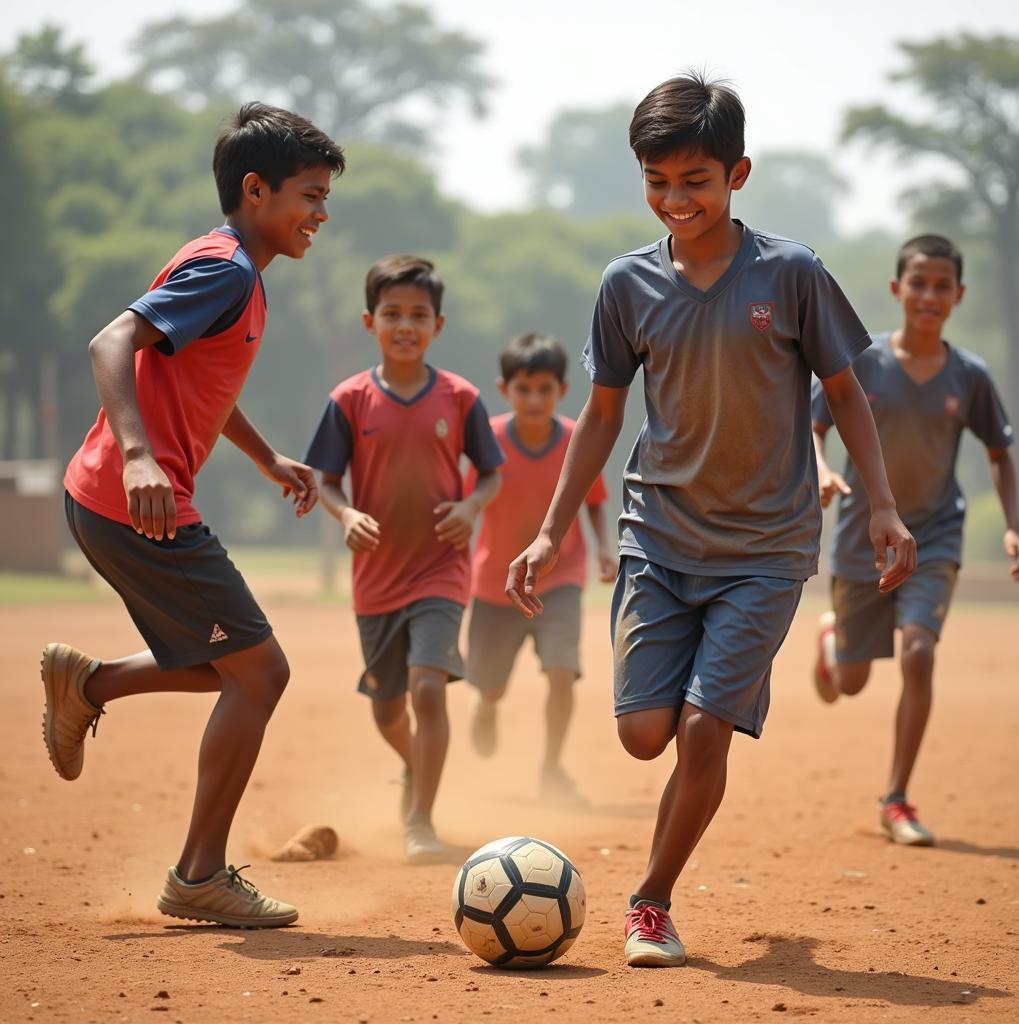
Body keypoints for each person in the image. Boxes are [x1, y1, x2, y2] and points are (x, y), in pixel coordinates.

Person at [505, 72, 917, 969]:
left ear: (738, 174)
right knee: (643, 733)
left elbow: (845, 390)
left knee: (702, 731)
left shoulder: (792, 273)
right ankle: (702, 703)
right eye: (657, 181)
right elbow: (604, 416)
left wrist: (880, 503)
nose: (675, 199)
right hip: (658, 536)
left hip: (768, 548)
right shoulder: (627, 285)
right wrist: (546, 529)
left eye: (695, 180)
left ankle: (650, 901)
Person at [43, 102, 345, 927]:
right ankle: (199, 875)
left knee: (234, 665)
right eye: (310, 197)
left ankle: (90, 682)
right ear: (257, 190)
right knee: (263, 672)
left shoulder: (226, 267)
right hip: (136, 501)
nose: (321, 214)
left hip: (108, 499)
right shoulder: (229, 271)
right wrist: (140, 455)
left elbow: (201, 382)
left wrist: (265, 456)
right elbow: (112, 344)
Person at [812, 234, 1019, 845]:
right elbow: (815, 425)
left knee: (920, 652)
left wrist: (1012, 524)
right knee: (851, 682)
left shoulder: (970, 376)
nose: (929, 295)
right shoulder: (864, 361)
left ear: (958, 295)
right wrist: (820, 468)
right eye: (919, 284)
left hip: (933, 535)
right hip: (861, 540)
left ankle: (896, 797)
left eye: (942, 286)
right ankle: (834, 645)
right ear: (897, 290)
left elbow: (1001, 454)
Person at [303, 254, 503, 863]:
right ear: (371, 322)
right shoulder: (350, 400)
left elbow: (491, 474)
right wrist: (346, 514)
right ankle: (416, 767)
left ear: (438, 325)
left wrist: (472, 509)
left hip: (442, 570)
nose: (406, 325)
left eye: (419, 314)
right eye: (393, 313)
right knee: (388, 709)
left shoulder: (461, 398)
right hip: (376, 580)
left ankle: (420, 822)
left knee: (428, 690)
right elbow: (325, 480)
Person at [465, 332, 618, 805]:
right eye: (523, 389)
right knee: (489, 685)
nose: (534, 399)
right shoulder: (487, 439)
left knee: (560, 670)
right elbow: (467, 502)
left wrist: (603, 549)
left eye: (544, 389)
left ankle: (552, 768)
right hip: (494, 584)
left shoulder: (577, 438)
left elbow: (592, 501)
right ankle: (487, 705)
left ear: (563, 391)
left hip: (561, 577)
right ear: (504, 388)